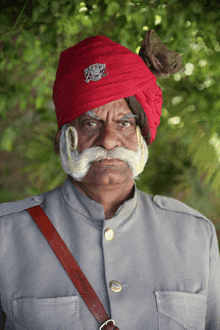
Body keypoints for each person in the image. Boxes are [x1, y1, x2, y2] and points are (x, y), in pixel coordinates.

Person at [0, 30, 219, 330]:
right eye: (91, 123)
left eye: (125, 123)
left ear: (142, 135)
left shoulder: (194, 235)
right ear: (67, 138)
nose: (109, 140)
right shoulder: (7, 234)